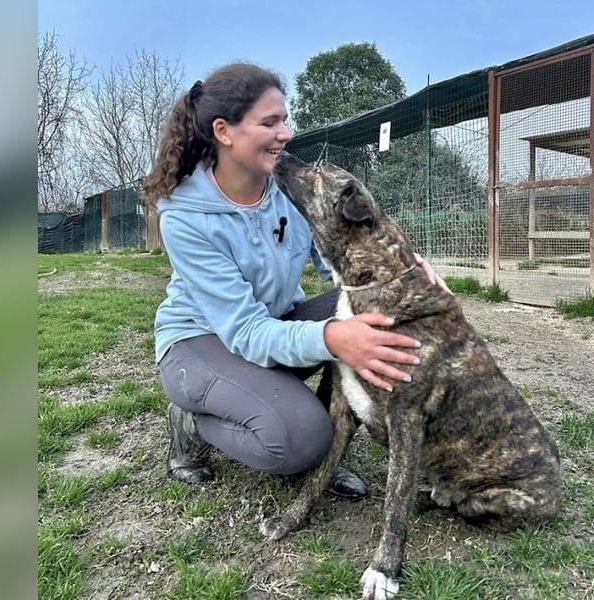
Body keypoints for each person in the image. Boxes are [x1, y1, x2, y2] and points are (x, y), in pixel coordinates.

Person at [143, 62, 449, 500]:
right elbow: (245, 329)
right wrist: (333, 337)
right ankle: (193, 419)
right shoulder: (186, 218)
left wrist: (407, 270)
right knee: (298, 439)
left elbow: (344, 262)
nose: (285, 133)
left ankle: (320, 456)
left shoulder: (288, 189)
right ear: (224, 131)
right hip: (201, 343)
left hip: (272, 325)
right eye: (269, 122)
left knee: (384, 310)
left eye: (285, 120)